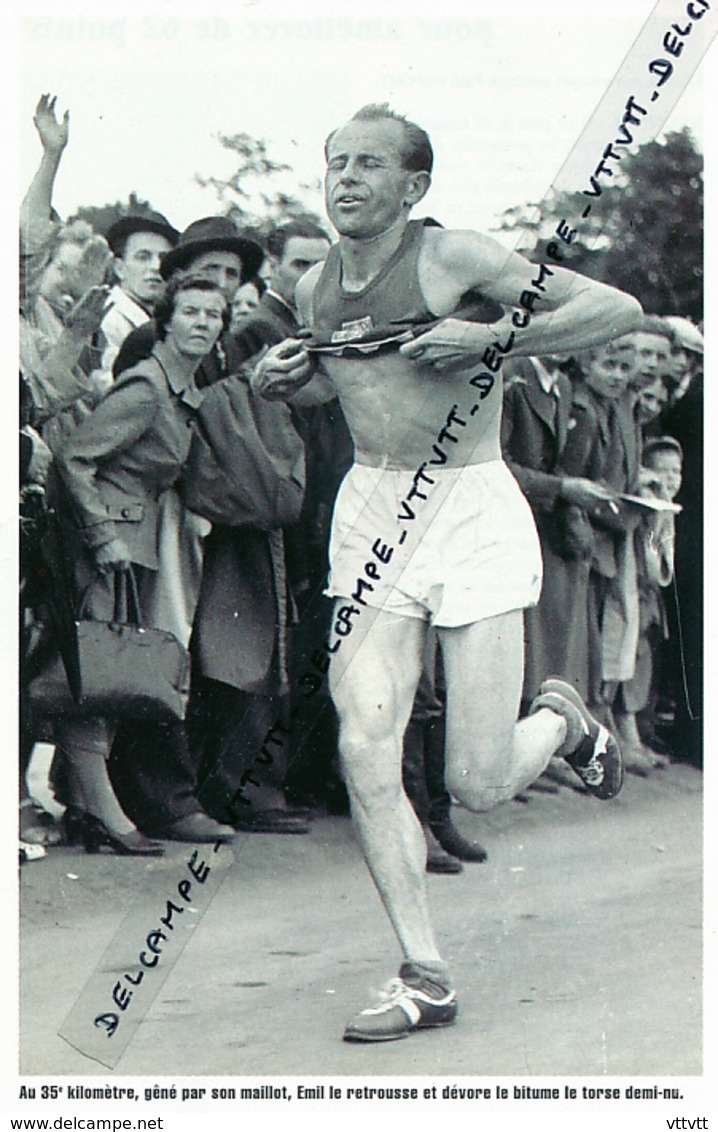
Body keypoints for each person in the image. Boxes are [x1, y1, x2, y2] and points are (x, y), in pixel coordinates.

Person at [253, 103, 642, 1041]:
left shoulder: (454, 258)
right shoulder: (311, 287)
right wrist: (285, 376)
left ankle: (560, 718)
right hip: (376, 510)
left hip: (468, 504)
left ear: (413, 185)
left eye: (370, 163)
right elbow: (342, 379)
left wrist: (491, 340)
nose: (345, 177)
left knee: (474, 780)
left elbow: (615, 310)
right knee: (364, 742)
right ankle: (423, 969)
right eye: (335, 160)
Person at [46, 275, 236, 852]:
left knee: (112, 672)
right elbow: (74, 457)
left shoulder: (180, 388)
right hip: (112, 549)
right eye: (191, 312)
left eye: (214, 315)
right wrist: (102, 536)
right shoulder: (147, 389)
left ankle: (88, 809)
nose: (203, 323)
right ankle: (107, 816)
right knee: (96, 673)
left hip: (140, 543)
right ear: (166, 320)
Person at [95, 211, 180, 379]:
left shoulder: (164, 315)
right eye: (143, 257)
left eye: (164, 258)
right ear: (119, 268)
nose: (156, 266)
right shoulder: (110, 320)